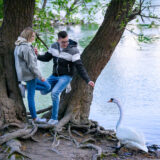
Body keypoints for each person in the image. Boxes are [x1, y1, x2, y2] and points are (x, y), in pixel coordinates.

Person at [37, 31, 94, 125]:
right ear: (58, 40)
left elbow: (80, 67)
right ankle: (27, 87)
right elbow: (46, 58)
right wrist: (36, 55)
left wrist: (88, 80)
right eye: (63, 42)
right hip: (54, 76)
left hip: (66, 76)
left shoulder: (73, 50)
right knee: (43, 91)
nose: (66, 44)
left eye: (67, 41)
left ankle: (54, 119)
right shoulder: (54, 46)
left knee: (55, 93)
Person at [14, 27, 51, 123]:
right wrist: (40, 76)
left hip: (23, 75)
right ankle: (35, 118)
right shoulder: (26, 47)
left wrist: (34, 53)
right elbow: (32, 65)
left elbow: (25, 61)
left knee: (47, 86)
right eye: (33, 36)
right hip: (30, 75)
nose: (34, 38)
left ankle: (25, 87)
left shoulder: (18, 45)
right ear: (28, 36)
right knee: (37, 93)